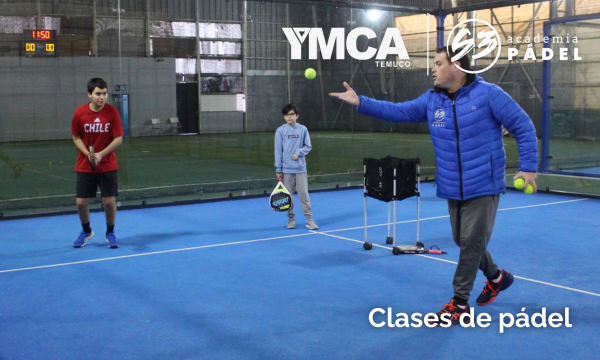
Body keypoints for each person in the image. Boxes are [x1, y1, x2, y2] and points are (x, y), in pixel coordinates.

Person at [330, 48, 539, 326]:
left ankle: (459, 304)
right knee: (462, 240)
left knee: (469, 244)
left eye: (439, 63)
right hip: (452, 185)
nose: (433, 69)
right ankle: (498, 278)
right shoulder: (432, 100)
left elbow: (523, 126)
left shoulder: (489, 94)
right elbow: (399, 111)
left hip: (484, 183)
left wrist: (528, 168)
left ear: (458, 66)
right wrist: (361, 102)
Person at [71, 78, 124, 249]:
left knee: (109, 201)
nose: (102, 97)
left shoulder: (112, 112)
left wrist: (101, 154)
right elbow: (76, 137)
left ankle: (110, 232)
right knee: (81, 202)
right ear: (89, 94)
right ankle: (86, 231)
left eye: (104, 93)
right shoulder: (79, 113)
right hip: (85, 165)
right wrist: (88, 154)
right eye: (98, 94)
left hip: (107, 164)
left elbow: (118, 139)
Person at [275, 104, 319, 230]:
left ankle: (309, 220)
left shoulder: (303, 129)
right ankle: (291, 219)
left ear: (297, 115)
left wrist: (298, 153)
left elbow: (308, 146)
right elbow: (278, 151)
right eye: (287, 115)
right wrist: (278, 169)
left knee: (304, 195)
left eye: (292, 114)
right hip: (286, 170)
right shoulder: (280, 131)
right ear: (284, 117)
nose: (289, 117)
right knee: (288, 196)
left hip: (300, 169)